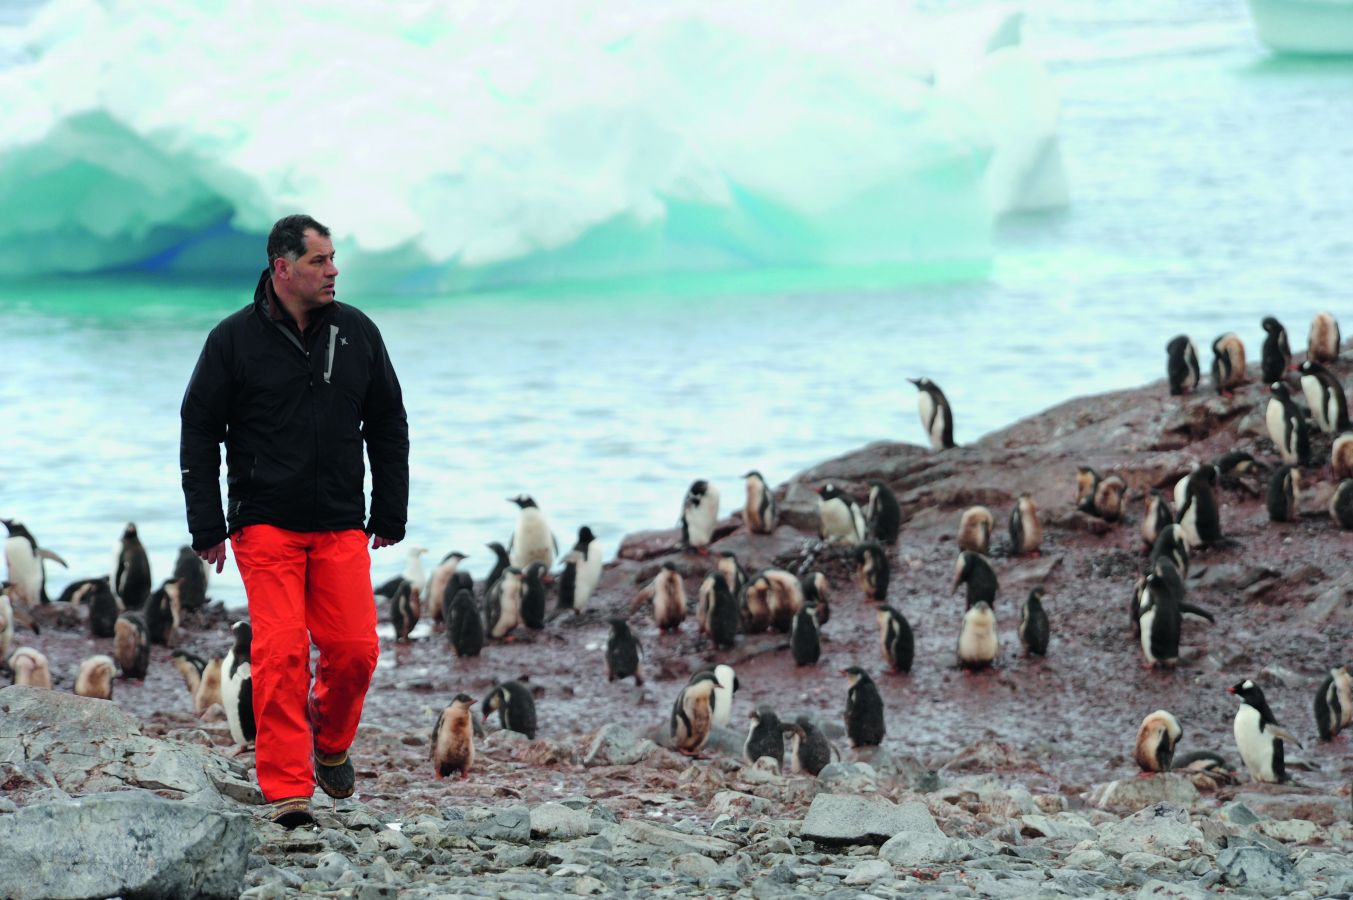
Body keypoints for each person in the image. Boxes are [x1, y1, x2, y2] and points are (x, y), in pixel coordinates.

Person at [180, 214, 409, 827]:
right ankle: (288, 794)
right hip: (264, 525)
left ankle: (330, 743)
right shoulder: (232, 340)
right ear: (283, 268)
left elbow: (388, 421)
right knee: (280, 654)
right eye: (319, 261)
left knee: (356, 651)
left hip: (339, 522)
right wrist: (207, 525)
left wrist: (390, 510)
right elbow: (199, 427)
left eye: (334, 259)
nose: (333, 271)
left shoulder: (358, 333)